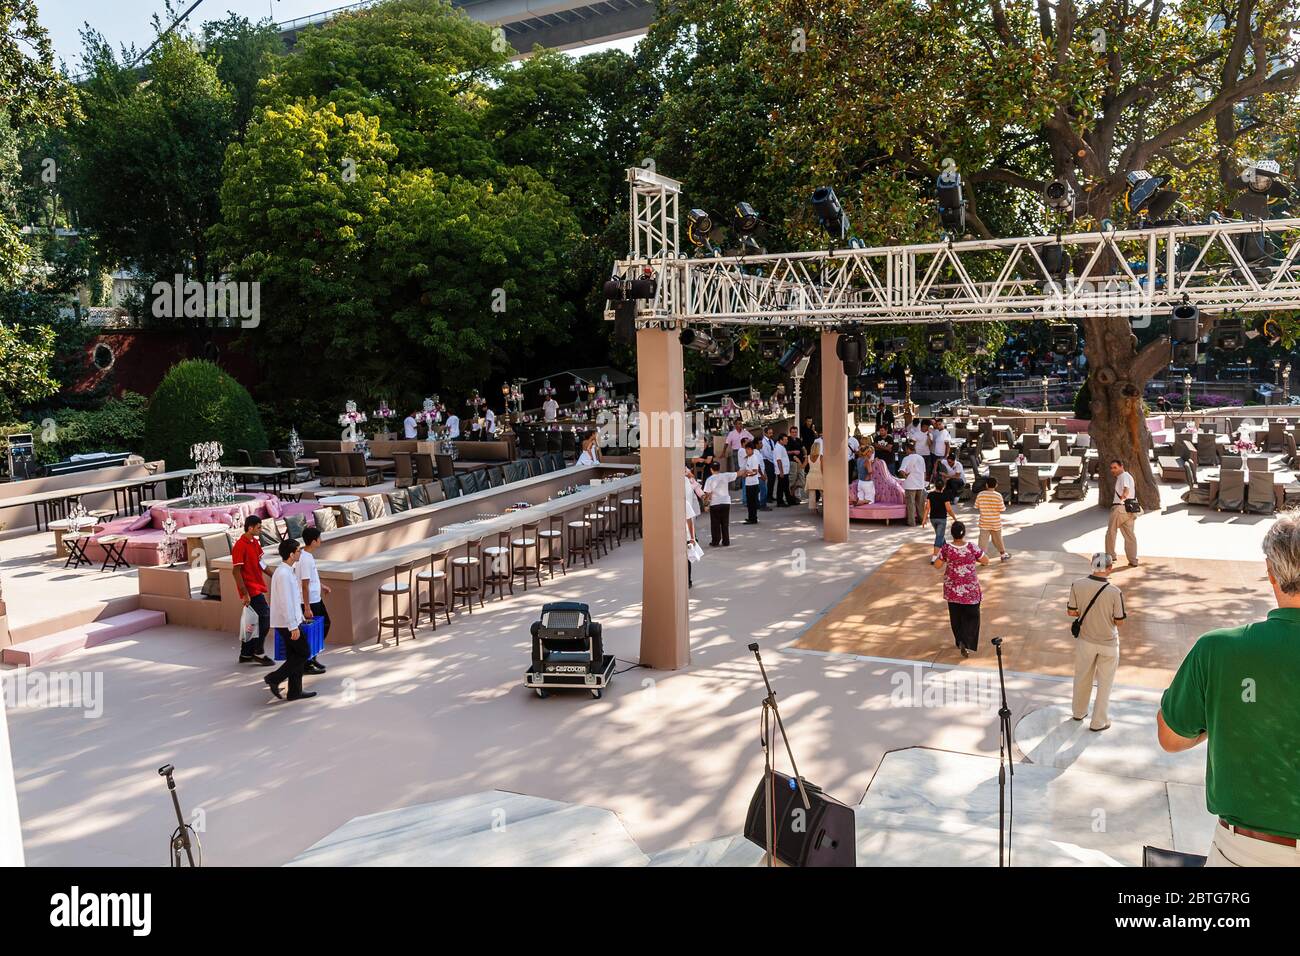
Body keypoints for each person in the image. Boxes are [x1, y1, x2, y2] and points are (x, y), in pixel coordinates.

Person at [1157, 514, 1300, 866]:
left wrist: (1223, 712)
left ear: (1270, 572)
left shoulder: (1217, 649)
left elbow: (1171, 738)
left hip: (1243, 852)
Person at [1067, 553, 1126, 732]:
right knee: (1105, 683)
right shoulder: (1115, 592)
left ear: (1092, 566)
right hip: (1108, 643)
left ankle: (1078, 712)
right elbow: (1119, 621)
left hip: (1086, 640)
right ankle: (1099, 721)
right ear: (1110, 568)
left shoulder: (1077, 584)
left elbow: (1071, 612)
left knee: (1082, 677)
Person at [264, 538, 315, 701]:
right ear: (292, 554)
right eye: (298, 550)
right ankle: (274, 678)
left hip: (291, 621)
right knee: (304, 652)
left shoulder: (286, 571)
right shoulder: (284, 574)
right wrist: (293, 626)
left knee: (295, 655)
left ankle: (295, 691)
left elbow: (292, 600)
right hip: (288, 624)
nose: (300, 552)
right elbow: (286, 602)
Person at [933, 521, 989, 657]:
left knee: (956, 617)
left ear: (952, 534)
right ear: (964, 533)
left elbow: (937, 565)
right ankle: (967, 642)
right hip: (970, 590)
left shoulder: (947, 548)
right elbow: (986, 560)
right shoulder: (972, 547)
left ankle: (960, 641)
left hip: (953, 590)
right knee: (972, 616)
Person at [231, 515, 274, 666]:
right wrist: (244, 594)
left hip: (257, 586)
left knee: (252, 622)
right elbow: (236, 572)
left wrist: (275, 576)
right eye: (259, 528)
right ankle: (258, 652)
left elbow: (261, 563)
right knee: (265, 618)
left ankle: (245, 654)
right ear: (250, 528)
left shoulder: (255, 542)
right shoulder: (239, 546)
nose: (261, 530)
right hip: (251, 590)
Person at [298, 526, 330, 675]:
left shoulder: (308, 556)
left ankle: (312, 656)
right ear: (313, 541)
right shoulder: (304, 559)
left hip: (316, 598)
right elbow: (304, 585)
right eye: (319, 538)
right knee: (316, 630)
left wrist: (322, 586)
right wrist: (307, 607)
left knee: (323, 626)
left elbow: (311, 579)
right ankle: (307, 661)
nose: (321, 540)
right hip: (311, 602)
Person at [1105, 459, 1139, 567]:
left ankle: (1110, 556)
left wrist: (1122, 499)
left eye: (1115, 467)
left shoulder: (1123, 476)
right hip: (1130, 510)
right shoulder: (1127, 476)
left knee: (1111, 533)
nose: (1112, 470)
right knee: (1130, 536)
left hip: (1120, 508)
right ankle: (1133, 560)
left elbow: (1126, 489)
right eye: (1111, 468)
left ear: (1121, 466)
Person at [922, 478, 960, 562]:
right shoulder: (945, 495)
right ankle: (935, 557)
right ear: (943, 486)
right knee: (939, 536)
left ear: (935, 485)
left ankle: (947, 552)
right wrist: (954, 518)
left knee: (940, 536)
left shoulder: (930, 494)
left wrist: (924, 519)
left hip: (933, 519)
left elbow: (927, 508)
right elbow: (949, 509)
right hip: (942, 519)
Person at [974, 475, 1011, 561]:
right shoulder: (998, 496)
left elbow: (976, 506)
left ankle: (981, 557)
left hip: (984, 522)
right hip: (995, 522)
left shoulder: (980, 494)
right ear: (996, 485)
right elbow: (1002, 509)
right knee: (998, 539)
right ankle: (1003, 555)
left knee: (983, 541)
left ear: (986, 485)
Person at [702, 460, 737, 546]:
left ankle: (715, 541)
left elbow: (707, 494)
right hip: (725, 502)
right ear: (719, 468)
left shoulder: (709, 479)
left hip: (715, 503)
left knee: (715, 523)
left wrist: (706, 505)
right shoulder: (725, 475)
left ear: (711, 469)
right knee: (725, 523)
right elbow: (738, 473)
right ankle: (726, 541)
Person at [898, 440, 928, 526]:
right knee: (920, 504)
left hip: (910, 484)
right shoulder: (921, 458)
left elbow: (902, 470)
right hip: (920, 484)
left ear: (907, 449)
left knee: (911, 505)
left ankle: (912, 522)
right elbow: (924, 472)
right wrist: (923, 482)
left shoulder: (906, 458)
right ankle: (922, 520)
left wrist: (905, 476)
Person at [739, 438, 764, 524]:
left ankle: (753, 518)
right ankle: (751, 517)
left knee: (752, 502)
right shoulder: (748, 458)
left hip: (753, 484)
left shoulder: (754, 458)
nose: (746, 451)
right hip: (748, 483)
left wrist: (746, 475)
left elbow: (755, 472)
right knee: (750, 502)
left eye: (747, 450)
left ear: (751, 449)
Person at [774, 435, 796, 506]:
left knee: (785, 486)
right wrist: (781, 472)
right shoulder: (778, 448)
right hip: (782, 471)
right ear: (780, 440)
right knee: (781, 487)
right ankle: (780, 502)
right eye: (785, 439)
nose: (787, 440)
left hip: (785, 471)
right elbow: (778, 460)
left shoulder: (782, 446)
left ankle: (789, 501)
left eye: (787, 439)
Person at [760, 426, 778, 509]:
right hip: (767, 461)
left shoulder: (771, 441)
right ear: (765, 433)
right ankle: (768, 497)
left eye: (772, 433)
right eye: (769, 433)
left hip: (772, 461)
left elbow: (773, 450)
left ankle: (770, 495)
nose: (771, 434)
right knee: (770, 478)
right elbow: (766, 454)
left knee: (773, 479)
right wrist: (773, 459)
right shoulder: (763, 442)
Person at [805, 438, 824, 511]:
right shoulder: (821, 456)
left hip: (810, 476)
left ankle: (813, 509)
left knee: (812, 494)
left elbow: (802, 466)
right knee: (823, 493)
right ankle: (825, 507)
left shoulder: (808, 456)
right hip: (819, 476)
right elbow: (822, 468)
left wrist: (798, 460)